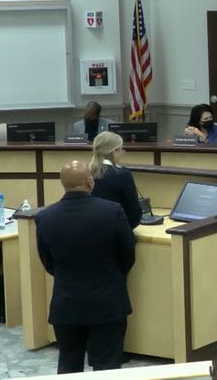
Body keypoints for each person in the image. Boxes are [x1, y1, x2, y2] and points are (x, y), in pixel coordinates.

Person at [35, 160, 136, 373]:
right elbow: (127, 256)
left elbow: (48, 262)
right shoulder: (112, 211)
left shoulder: (45, 217)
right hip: (107, 302)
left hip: (67, 303)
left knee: (69, 364)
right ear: (90, 181)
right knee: (107, 367)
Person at [89, 131, 142, 229]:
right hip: (115, 236)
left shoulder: (86, 172)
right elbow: (134, 216)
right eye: (121, 150)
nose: (122, 153)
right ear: (114, 152)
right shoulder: (122, 175)